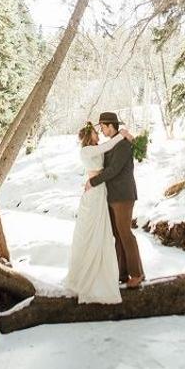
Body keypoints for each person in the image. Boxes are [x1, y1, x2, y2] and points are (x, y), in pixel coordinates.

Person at [65, 121, 132, 304]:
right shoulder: (86, 150)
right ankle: (89, 277)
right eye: (96, 132)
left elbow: (111, 156)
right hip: (94, 194)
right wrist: (122, 134)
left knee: (103, 234)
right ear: (89, 135)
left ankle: (105, 272)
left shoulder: (96, 148)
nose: (99, 134)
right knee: (93, 233)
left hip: (101, 191)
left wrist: (130, 141)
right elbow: (110, 145)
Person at [85, 111, 145, 290]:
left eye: (103, 127)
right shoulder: (114, 143)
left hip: (123, 196)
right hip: (112, 196)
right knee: (117, 235)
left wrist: (93, 182)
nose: (102, 131)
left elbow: (114, 170)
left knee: (125, 234)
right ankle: (122, 273)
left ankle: (136, 274)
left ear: (111, 126)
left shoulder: (123, 145)